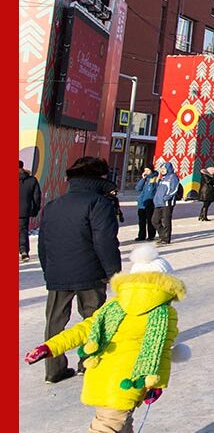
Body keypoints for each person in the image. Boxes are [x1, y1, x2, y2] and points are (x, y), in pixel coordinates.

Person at [25, 244, 184, 433]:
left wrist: (49, 347)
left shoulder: (114, 305)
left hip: (99, 375)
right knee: (108, 426)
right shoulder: (164, 314)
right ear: (167, 283)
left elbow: (83, 330)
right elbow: (163, 351)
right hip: (129, 382)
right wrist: (158, 383)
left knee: (120, 423)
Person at [36, 156, 122, 384]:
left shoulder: (54, 205)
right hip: (91, 274)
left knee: (54, 322)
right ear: (99, 178)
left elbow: (43, 243)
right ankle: (88, 363)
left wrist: (49, 271)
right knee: (93, 319)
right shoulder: (98, 203)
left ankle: (53, 370)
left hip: (58, 274)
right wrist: (114, 273)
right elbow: (105, 242)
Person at [151, 161, 179, 245]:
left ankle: (165, 239)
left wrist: (166, 197)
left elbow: (174, 189)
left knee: (166, 221)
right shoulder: (162, 178)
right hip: (158, 203)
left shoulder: (173, 177)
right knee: (154, 220)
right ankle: (162, 235)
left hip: (167, 203)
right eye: (161, 169)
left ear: (168, 169)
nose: (162, 170)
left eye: (164, 169)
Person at [19, 160, 42, 263]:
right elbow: (36, 196)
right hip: (24, 210)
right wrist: (35, 209)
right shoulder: (32, 180)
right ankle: (24, 252)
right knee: (22, 230)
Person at [133, 169, 158, 242]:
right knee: (141, 221)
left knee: (150, 220)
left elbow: (156, 190)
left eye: (148, 170)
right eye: (145, 170)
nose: (146, 172)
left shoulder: (155, 178)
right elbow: (138, 188)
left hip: (150, 202)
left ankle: (151, 236)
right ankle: (141, 236)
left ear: (151, 170)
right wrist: (142, 179)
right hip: (142, 202)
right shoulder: (145, 179)